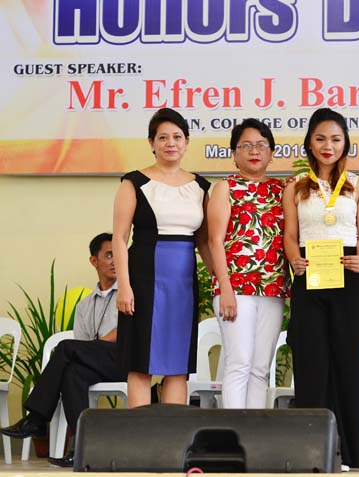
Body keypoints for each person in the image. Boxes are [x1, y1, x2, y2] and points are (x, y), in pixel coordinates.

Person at [283, 108, 359, 469]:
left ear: (345, 144)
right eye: (320, 138)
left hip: (349, 278)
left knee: (348, 366)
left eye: (335, 139)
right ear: (309, 143)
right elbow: (291, 236)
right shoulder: (295, 186)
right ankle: (311, 452)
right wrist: (294, 260)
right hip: (310, 278)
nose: (328, 146)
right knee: (311, 364)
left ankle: (348, 452)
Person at [113, 107, 211, 407]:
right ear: (151, 143)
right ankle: (139, 433)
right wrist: (124, 286)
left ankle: (174, 434)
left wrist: (221, 281)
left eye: (177, 137)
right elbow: (119, 237)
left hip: (183, 284)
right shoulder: (133, 182)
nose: (171, 143)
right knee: (141, 363)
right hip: (143, 279)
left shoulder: (201, 186)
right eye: (163, 137)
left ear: (186, 142)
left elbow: (205, 242)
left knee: (178, 365)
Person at [0, 233, 125, 467]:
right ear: (94, 261)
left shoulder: (128, 293)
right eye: (109, 255)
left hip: (123, 361)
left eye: (118, 255)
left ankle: (36, 418)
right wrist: (90, 348)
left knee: (66, 347)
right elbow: (82, 345)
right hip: (96, 363)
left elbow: (125, 333)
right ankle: (81, 449)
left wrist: (94, 346)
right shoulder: (84, 306)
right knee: (72, 373)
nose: (115, 261)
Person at [207, 118, 290, 409]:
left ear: (271, 153)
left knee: (260, 368)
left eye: (261, 145)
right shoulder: (225, 188)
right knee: (239, 363)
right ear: (234, 153)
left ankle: (254, 432)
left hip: (273, 289)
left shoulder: (282, 190)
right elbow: (214, 241)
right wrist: (225, 289)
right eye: (246, 145)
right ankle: (234, 431)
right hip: (236, 289)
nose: (254, 151)